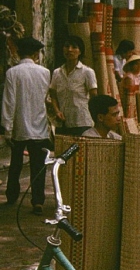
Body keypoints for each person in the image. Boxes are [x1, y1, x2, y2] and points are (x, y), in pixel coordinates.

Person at [2, 36, 53, 212]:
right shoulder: (45, 72)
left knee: (15, 164)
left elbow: (9, 102)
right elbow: (45, 98)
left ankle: (12, 195)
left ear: (18, 52)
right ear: (35, 53)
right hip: (39, 126)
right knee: (38, 166)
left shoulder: (12, 73)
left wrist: (7, 128)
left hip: (19, 127)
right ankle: (38, 200)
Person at [49, 35, 98, 137]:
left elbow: (94, 97)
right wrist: (57, 111)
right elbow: (53, 95)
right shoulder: (57, 73)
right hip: (62, 123)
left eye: (74, 47)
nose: (69, 50)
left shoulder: (87, 72)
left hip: (82, 122)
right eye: (67, 46)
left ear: (80, 51)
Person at [119, 49, 140, 115]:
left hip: (138, 100)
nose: (139, 66)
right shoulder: (129, 76)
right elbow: (129, 92)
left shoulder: (139, 75)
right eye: (136, 64)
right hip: (129, 101)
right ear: (131, 65)